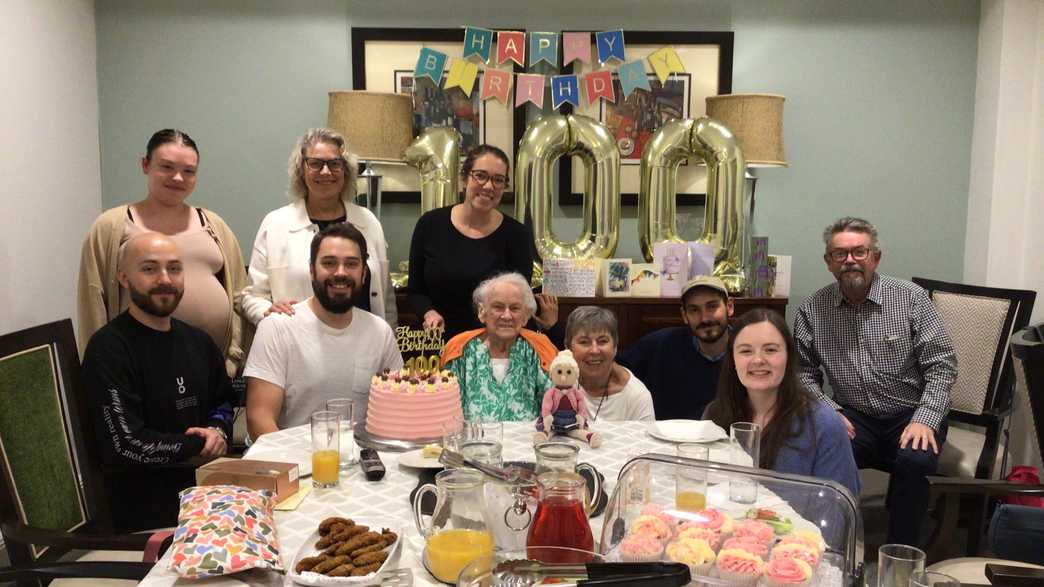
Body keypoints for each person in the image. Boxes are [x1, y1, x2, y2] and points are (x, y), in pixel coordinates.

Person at [794, 216, 957, 546]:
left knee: (914, 460)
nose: (850, 260)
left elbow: (942, 367)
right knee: (817, 452)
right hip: (853, 417)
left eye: (859, 251)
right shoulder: (813, 308)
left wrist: (925, 420)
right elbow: (802, 373)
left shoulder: (910, 298)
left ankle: (900, 556)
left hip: (911, 414)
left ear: (875, 257)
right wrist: (829, 412)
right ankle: (829, 547)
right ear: (829, 262)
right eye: (840, 254)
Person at [81, 233, 234, 531]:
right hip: (145, 510)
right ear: (124, 278)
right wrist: (198, 443)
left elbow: (223, 400)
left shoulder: (199, 341)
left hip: (207, 492)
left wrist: (218, 431)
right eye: (149, 269)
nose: (165, 279)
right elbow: (125, 445)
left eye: (174, 269)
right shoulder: (108, 349)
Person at [77, 129, 248, 376]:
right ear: (145, 165)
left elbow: (239, 294)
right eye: (167, 167)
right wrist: (101, 370)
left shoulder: (214, 225)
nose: (178, 178)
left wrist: (235, 359)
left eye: (188, 171)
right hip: (137, 373)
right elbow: (92, 300)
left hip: (212, 370)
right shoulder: (111, 226)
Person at [244, 223, 403, 440]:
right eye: (329, 263)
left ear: (364, 273)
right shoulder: (277, 327)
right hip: (294, 466)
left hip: (365, 465)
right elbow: (259, 419)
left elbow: (396, 413)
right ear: (311, 270)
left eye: (351, 264)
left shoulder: (380, 332)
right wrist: (300, 467)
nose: (340, 273)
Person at [238, 128, 396, 327]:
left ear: (346, 171)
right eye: (315, 164)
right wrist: (267, 313)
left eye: (335, 164)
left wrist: (389, 342)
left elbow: (387, 300)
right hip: (298, 345)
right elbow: (252, 296)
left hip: (364, 348)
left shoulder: (368, 222)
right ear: (301, 170)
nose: (325, 172)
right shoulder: (276, 225)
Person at [407, 144, 558, 339]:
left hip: (495, 347)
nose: (488, 186)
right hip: (439, 342)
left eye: (498, 180)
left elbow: (519, 299)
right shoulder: (429, 224)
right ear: (464, 178)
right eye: (480, 175)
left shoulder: (516, 235)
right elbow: (416, 291)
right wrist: (428, 313)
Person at [704, 308, 860, 496]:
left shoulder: (824, 425)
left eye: (770, 350)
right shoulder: (715, 414)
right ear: (733, 360)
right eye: (746, 351)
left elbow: (840, 508)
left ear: (788, 356)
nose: (758, 360)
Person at [441, 272, 557, 422]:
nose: (507, 316)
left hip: (527, 442)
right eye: (498, 307)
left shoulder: (540, 349)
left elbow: (557, 405)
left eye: (515, 308)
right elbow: (446, 411)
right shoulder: (460, 350)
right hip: (473, 441)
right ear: (482, 312)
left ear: (526, 316)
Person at [617, 275, 733, 420]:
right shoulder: (661, 344)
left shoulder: (748, 352)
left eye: (712, 306)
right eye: (694, 310)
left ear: (729, 307)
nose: (705, 318)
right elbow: (613, 366)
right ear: (684, 315)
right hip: (667, 440)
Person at [564, 306, 655, 422]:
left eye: (602, 341)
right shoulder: (560, 381)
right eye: (584, 342)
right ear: (568, 347)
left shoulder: (637, 396)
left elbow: (645, 440)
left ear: (615, 347)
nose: (594, 350)